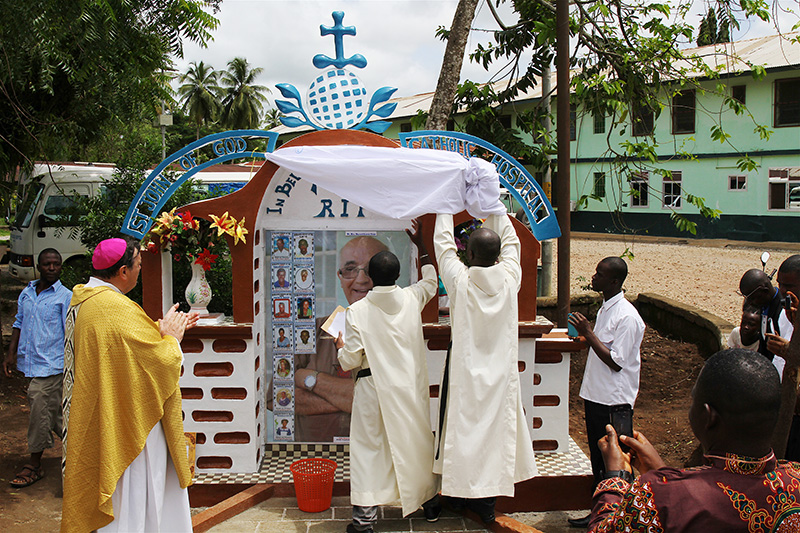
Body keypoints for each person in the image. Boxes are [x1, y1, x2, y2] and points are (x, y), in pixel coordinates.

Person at [61, 238, 197, 532]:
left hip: (109, 413)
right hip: (131, 426)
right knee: (138, 498)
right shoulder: (115, 308)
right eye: (138, 264)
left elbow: (129, 352)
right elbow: (160, 363)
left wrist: (160, 331)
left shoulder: (86, 300)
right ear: (123, 271)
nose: (139, 269)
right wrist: (172, 338)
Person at [588, 348, 800, 531]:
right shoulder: (795, 480)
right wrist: (662, 473)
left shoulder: (657, 498)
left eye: (693, 401)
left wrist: (615, 477)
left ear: (709, 417)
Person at [433, 214, 537, 525]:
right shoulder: (509, 279)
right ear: (497, 255)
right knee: (494, 433)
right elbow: (513, 244)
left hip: (465, 374)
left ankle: (457, 493)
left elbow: (442, 246)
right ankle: (486, 501)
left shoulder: (460, 282)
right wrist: (494, 207)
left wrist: (446, 206)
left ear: (469, 254)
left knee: (461, 431)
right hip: (500, 376)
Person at [338, 222, 441, 533]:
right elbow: (432, 281)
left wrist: (340, 345)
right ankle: (431, 502)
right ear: (397, 276)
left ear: (370, 277)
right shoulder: (412, 299)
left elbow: (350, 360)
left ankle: (364, 521)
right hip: (408, 387)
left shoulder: (357, 312)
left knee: (369, 451)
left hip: (372, 388)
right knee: (416, 443)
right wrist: (421, 245)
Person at [284, 236, 388, 442]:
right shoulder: (312, 329)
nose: (361, 279)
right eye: (350, 269)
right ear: (340, 278)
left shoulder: (397, 333)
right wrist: (354, 399)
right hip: (312, 458)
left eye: (371, 269)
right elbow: (277, 398)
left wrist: (311, 379)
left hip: (376, 459)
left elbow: (395, 402)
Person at [567, 256, 645, 529]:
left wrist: (588, 333)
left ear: (614, 281)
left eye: (600, 274)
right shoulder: (606, 308)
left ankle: (620, 515)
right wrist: (585, 336)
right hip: (596, 396)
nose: (594, 276)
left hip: (614, 401)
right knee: (598, 458)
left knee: (616, 460)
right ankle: (599, 511)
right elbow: (602, 346)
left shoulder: (627, 316)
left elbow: (615, 361)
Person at [2, 248, 71, 488]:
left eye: (56, 264)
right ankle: (86, 453)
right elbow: (19, 323)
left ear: (61, 267)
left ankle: (34, 464)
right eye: (47, 264)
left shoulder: (65, 297)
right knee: (55, 415)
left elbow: (70, 334)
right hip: (32, 364)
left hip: (53, 365)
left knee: (39, 408)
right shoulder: (27, 293)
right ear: (39, 267)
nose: (52, 268)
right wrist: (11, 354)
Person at [739, 268, 786, 368]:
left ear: (764, 291)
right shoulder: (764, 306)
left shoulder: (783, 311)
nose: (750, 303)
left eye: (752, 298)